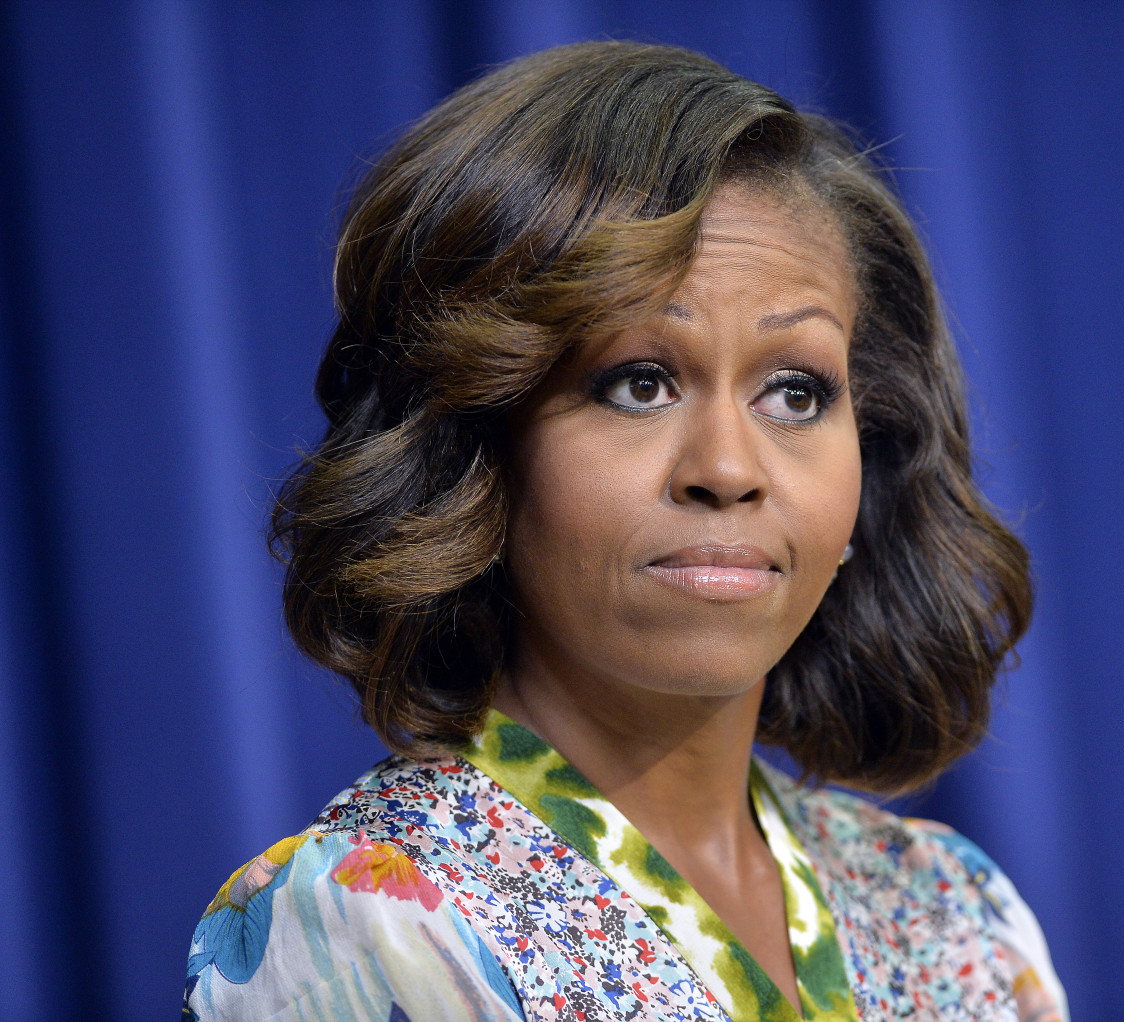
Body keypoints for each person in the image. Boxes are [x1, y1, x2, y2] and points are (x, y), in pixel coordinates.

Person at [183, 40, 1067, 1022]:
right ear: (474, 447)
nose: (729, 468)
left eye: (794, 390)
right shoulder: (370, 923)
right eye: (638, 382)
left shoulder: (955, 913)